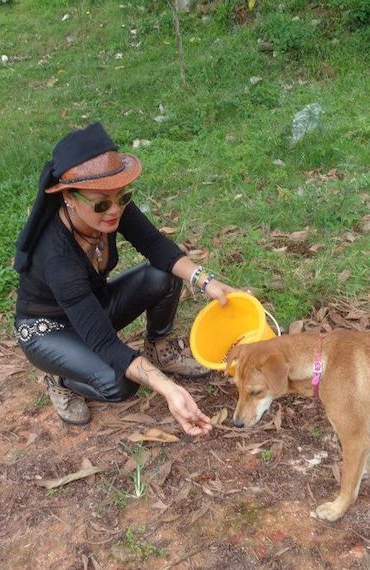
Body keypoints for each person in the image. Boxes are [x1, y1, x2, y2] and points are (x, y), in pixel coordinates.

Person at [14, 123, 237, 436]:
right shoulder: (56, 255)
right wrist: (168, 389)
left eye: (123, 196)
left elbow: (158, 247)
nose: (115, 209)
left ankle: (158, 347)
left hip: (94, 306)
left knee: (163, 273)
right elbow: (105, 341)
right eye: (102, 203)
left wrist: (206, 281)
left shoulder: (110, 204)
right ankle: (59, 378)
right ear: (69, 198)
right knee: (119, 384)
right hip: (49, 329)